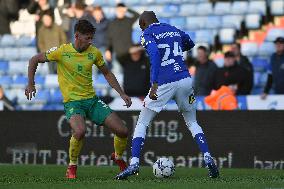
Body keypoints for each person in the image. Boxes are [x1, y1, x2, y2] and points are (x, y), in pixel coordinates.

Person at [115, 11, 219, 180]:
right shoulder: (172, 29)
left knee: (142, 122)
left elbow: (155, 54)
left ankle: (134, 164)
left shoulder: (147, 33)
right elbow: (190, 43)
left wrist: (154, 83)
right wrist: (175, 53)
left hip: (164, 81)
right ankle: (208, 156)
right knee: (192, 122)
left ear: (143, 24)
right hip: (185, 79)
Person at [25, 19, 132, 179]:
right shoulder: (62, 51)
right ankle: (72, 166)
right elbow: (34, 59)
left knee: (123, 131)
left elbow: (107, 73)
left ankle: (117, 157)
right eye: (87, 38)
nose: (91, 41)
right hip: (73, 102)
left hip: (92, 101)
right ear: (76, 36)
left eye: (91, 38)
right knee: (80, 131)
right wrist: (31, 83)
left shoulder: (94, 52)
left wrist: (121, 93)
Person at [105, 3, 140, 72]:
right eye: (118, 10)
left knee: (129, 74)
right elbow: (109, 38)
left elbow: (137, 15)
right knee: (117, 75)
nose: (120, 12)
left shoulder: (129, 21)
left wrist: (127, 9)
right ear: (116, 11)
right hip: (117, 54)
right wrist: (108, 50)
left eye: (121, 10)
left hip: (128, 53)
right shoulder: (112, 23)